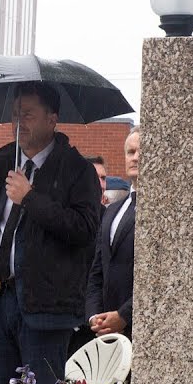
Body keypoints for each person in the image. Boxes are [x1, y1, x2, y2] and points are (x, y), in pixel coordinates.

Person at [0, 83, 101, 384]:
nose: (19, 122)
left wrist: (30, 198)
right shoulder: (4, 165)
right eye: (15, 114)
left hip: (46, 308)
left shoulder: (77, 170)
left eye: (27, 114)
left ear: (52, 119)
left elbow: (84, 230)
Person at [86, 128, 139, 339]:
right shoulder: (112, 211)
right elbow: (97, 270)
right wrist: (94, 317)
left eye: (142, 151)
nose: (135, 157)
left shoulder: (162, 211)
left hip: (140, 327)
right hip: (106, 331)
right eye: (131, 152)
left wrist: (124, 315)